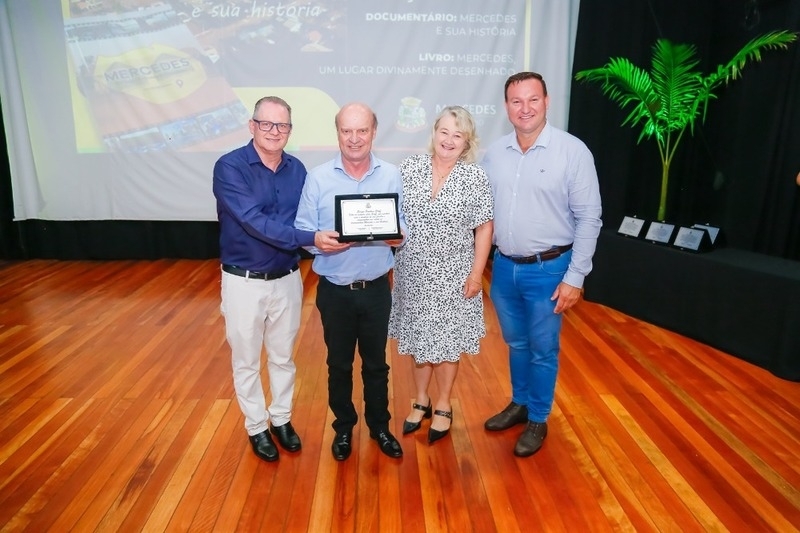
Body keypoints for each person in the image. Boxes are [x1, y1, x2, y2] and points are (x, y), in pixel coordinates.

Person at [213, 96, 343, 462]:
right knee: (246, 360)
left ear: (290, 130)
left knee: (284, 357)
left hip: (287, 278)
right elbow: (254, 221)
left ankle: (281, 419)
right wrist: (312, 238)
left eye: (282, 125)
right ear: (252, 126)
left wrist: (350, 226)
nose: (274, 131)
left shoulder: (296, 169)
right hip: (244, 282)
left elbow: (310, 216)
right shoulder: (230, 167)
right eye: (267, 124)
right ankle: (256, 425)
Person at [481, 72, 602, 457]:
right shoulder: (494, 154)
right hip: (504, 269)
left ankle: (537, 417)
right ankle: (519, 403)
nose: (525, 108)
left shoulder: (573, 152)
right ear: (506, 107)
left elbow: (589, 219)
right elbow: (482, 215)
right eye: (516, 101)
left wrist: (575, 277)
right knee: (516, 342)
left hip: (550, 270)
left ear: (547, 102)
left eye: (533, 100)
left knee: (543, 349)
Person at [295, 102, 406, 461]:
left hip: (376, 289)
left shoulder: (392, 175)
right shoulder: (318, 178)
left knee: (377, 365)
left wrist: (398, 235)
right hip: (335, 291)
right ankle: (343, 428)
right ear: (338, 133)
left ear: (374, 132)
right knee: (338, 364)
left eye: (362, 130)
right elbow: (302, 230)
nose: (354, 138)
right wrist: (318, 241)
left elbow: (404, 224)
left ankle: (380, 426)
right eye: (347, 131)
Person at [388, 106, 493, 444]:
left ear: (467, 142)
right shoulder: (409, 168)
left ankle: (444, 404)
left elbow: (484, 228)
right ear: (434, 133)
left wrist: (476, 274)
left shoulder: (474, 177)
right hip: (412, 272)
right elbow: (393, 215)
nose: (449, 140)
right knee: (418, 339)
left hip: (455, 276)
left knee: (447, 343)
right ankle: (421, 400)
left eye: (457, 135)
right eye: (444, 131)